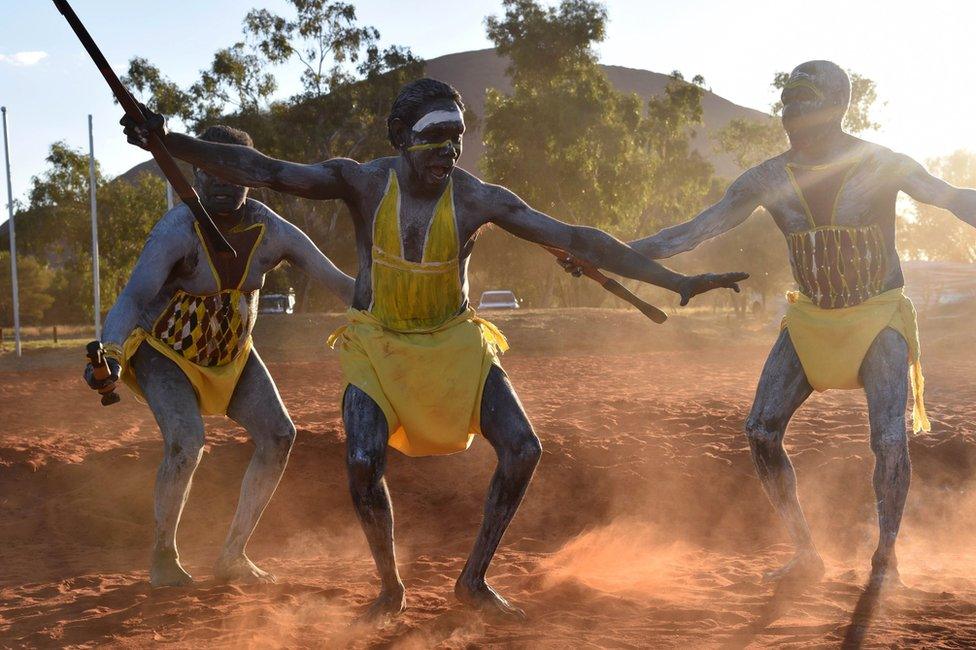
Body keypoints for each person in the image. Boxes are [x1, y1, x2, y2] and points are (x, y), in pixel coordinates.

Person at [121, 78, 747, 617]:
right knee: (363, 463)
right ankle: (390, 586)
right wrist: (165, 140)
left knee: (524, 449)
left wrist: (674, 279)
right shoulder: (361, 184)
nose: (447, 151)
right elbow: (265, 170)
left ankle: (473, 580)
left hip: (456, 345)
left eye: (457, 138)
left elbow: (578, 235)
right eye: (433, 137)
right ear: (400, 139)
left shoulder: (477, 197)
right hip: (380, 348)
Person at [627, 61, 976, 587]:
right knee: (760, 431)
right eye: (787, 102)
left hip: (877, 317)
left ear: (838, 108)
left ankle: (885, 560)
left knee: (888, 439)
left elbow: (951, 198)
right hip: (810, 320)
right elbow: (692, 232)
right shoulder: (767, 179)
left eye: (805, 101)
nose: (793, 113)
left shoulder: (882, 164)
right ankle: (806, 555)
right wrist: (611, 253)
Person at [85, 125, 355, 587]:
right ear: (194, 173)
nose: (224, 183)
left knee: (279, 436)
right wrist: (108, 352)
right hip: (163, 352)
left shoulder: (271, 231)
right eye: (213, 172)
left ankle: (233, 555)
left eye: (235, 173)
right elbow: (133, 297)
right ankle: (163, 556)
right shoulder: (177, 231)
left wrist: (403, 300)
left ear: (252, 175)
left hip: (233, 356)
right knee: (186, 443)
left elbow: (339, 282)